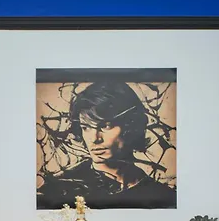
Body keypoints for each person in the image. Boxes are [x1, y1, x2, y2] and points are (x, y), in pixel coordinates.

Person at [37, 81, 176, 209]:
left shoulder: (162, 196)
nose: (94, 139)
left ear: (131, 126)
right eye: (86, 127)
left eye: (106, 126)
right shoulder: (58, 190)